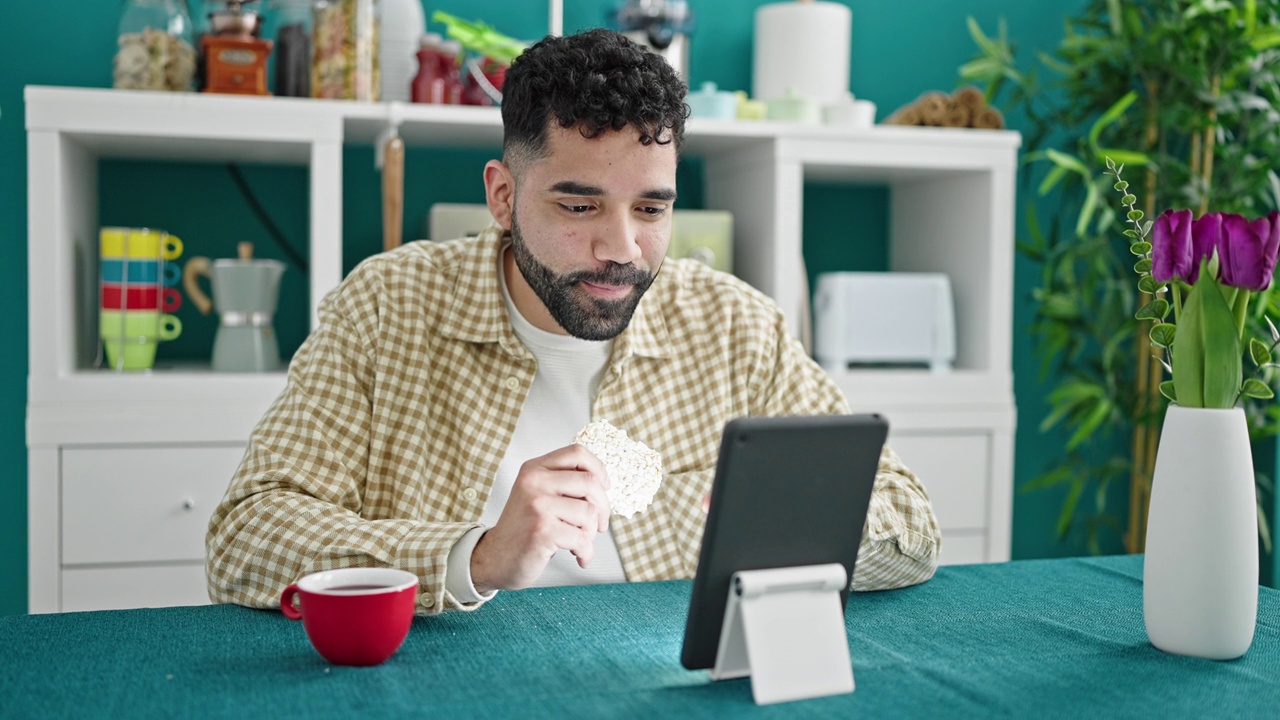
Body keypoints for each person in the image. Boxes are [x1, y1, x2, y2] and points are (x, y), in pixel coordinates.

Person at [206, 28, 940, 613]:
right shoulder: (387, 307)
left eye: (652, 209)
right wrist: (478, 554)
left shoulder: (737, 329)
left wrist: (797, 525)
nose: (620, 250)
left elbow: (911, 524)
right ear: (503, 196)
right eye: (579, 205)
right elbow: (248, 536)